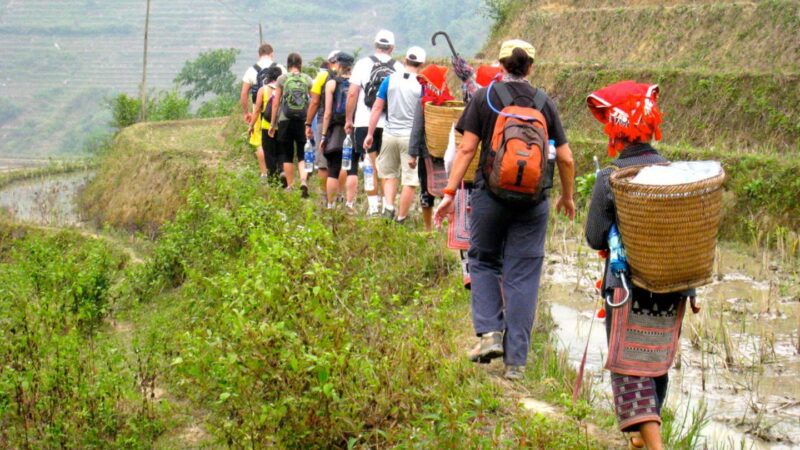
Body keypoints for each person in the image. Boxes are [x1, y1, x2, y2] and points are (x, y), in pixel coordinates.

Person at [433, 40, 576, 380]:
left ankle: (489, 334)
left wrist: (449, 192)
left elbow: (467, 149)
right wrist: (567, 196)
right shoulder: (545, 103)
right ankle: (517, 363)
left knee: (482, 260)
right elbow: (567, 158)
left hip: (491, 197)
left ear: (501, 64)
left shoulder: (486, 98)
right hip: (533, 201)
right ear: (530, 68)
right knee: (523, 277)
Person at [584, 80, 685, 450]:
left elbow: (595, 236)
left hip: (625, 288)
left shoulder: (610, 177)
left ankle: (655, 445)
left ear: (616, 129)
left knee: (629, 366)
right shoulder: (675, 177)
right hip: (673, 284)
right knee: (656, 361)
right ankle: (641, 441)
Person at [345, 30, 403, 217]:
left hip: (364, 122)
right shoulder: (399, 68)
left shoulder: (362, 64)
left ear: (375, 45)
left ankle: (373, 208)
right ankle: (388, 206)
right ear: (392, 48)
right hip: (391, 125)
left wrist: (349, 119)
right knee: (387, 166)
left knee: (370, 163)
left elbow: (352, 94)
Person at [364, 46, 425, 222]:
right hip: (410, 137)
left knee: (389, 174)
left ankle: (389, 206)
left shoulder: (389, 80)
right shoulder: (421, 85)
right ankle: (401, 217)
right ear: (421, 64)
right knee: (409, 180)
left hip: (389, 134)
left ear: (405, 61)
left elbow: (377, 107)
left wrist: (369, 134)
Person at [269, 53, 313, 197]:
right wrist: (310, 122)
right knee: (301, 153)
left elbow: (276, 103)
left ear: (288, 65)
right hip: (302, 120)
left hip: (285, 120)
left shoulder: (282, 79)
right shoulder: (307, 79)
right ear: (300, 64)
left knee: (287, 154)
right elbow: (313, 101)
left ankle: (290, 186)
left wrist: (272, 123)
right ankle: (303, 181)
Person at [319, 53, 356, 209]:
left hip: (335, 131)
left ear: (338, 65)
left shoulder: (332, 83)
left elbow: (327, 113)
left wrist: (323, 135)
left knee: (333, 169)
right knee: (352, 169)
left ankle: (331, 205)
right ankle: (350, 204)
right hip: (353, 130)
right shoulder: (357, 84)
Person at [307, 51, 341, 192]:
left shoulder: (322, 76)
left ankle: (324, 197)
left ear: (329, 62)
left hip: (323, 121)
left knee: (323, 163)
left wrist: (308, 123)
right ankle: (340, 194)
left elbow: (314, 102)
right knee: (342, 161)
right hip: (342, 124)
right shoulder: (349, 77)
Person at [248, 65, 283, 182]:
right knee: (281, 153)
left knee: (269, 155)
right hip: (282, 126)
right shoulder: (283, 89)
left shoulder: (263, 90)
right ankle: (282, 174)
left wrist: (251, 125)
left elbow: (257, 110)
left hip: (266, 126)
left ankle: (273, 181)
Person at [240, 43, 285, 124]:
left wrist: (246, 113)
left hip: (257, 113)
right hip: (277, 112)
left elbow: (244, 93)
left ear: (259, 55)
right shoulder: (281, 68)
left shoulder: (251, 70)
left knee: (258, 136)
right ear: (272, 54)